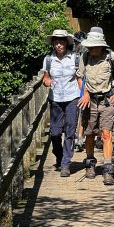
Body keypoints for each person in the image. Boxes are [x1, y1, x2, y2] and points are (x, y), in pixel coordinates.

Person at [77, 28, 114, 185]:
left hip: (106, 100)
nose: (92, 49)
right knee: (90, 134)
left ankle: (107, 169)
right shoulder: (84, 56)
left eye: (94, 46)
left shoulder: (112, 57)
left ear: (101, 46)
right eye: (90, 46)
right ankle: (90, 163)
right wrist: (83, 92)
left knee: (106, 133)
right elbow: (79, 76)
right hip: (89, 100)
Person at [42, 29, 80, 177]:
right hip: (56, 98)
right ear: (53, 43)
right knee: (55, 132)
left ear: (66, 42)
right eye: (56, 42)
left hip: (72, 97)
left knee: (70, 130)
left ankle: (65, 164)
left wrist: (83, 95)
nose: (59, 44)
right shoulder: (48, 59)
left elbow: (79, 78)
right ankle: (58, 153)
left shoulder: (75, 58)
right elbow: (45, 77)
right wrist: (47, 82)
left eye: (61, 41)